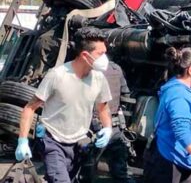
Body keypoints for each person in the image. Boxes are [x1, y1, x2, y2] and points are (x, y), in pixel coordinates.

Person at [15, 27, 113, 183]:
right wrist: (22, 141)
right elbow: (30, 108)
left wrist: (108, 128)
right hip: (52, 140)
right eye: (100, 54)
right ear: (85, 55)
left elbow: (103, 107)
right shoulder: (57, 75)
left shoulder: (99, 78)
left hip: (79, 142)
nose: (105, 58)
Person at [144, 47, 191, 183]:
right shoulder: (178, 94)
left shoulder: (184, 90)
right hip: (171, 162)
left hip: (184, 159)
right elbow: (181, 132)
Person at [79, 60, 135, 183]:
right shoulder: (116, 69)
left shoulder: (85, 69)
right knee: (120, 171)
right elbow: (126, 96)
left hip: (94, 126)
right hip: (115, 125)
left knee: (86, 168)